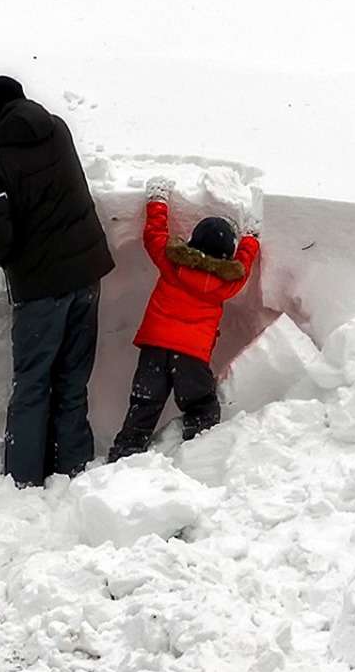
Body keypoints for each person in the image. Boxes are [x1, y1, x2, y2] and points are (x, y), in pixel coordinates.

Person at [0, 76, 114, 488]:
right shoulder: (58, 130)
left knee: (32, 385)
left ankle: (23, 479)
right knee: (71, 379)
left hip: (41, 291)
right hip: (87, 277)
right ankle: (72, 468)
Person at [108, 177, 261, 460]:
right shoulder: (225, 283)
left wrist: (158, 200)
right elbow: (244, 265)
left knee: (144, 405)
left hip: (154, 349)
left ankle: (124, 454)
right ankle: (195, 455)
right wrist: (251, 238)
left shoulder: (172, 263)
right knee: (201, 406)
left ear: (192, 241)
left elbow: (153, 235)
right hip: (191, 359)